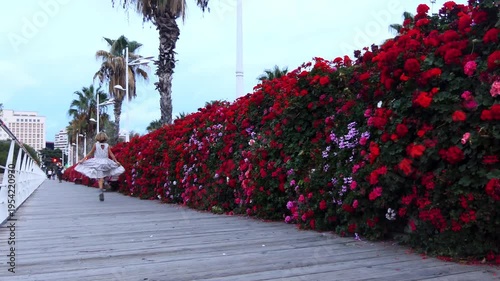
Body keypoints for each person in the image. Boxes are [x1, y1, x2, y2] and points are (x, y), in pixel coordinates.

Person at [75, 132, 125, 201]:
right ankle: (106, 182)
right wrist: (116, 161)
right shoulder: (107, 145)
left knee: (100, 178)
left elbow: (90, 153)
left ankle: (101, 190)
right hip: (106, 162)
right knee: (108, 172)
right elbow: (111, 154)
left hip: (97, 163)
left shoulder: (96, 145)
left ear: (97, 138)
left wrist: (83, 160)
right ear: (105, 138)